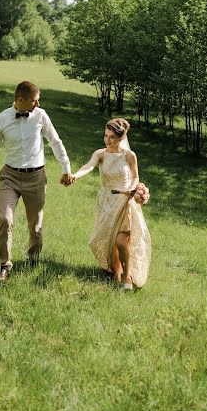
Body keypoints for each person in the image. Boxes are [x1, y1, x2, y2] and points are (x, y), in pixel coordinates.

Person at [0, 81, 72, 281]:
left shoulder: (41, 116)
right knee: (5, 219)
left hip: (36, 177)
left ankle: (33, 259)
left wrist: (66, 168)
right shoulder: (0, 119)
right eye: (34, 101)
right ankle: (4, 265)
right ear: (20, 100)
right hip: (10, 177)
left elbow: (55, 141)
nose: (37, 105)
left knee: (35, 226)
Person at [71, 118, 151, 290]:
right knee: (109, 240)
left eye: (112, 137)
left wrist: (132, 189)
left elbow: (135, 176)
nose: (107, 140)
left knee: (121, 241)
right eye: (106, 136)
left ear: (121, 138)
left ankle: (127, 276)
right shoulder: (100, 154)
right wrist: (75, 176)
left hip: (124, 201)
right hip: (106, 201)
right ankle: (117, 271)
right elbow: (88, 166)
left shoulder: (129, 156)